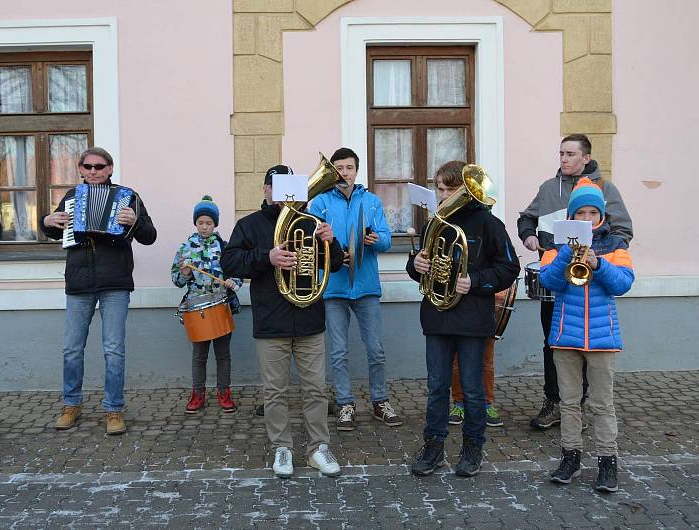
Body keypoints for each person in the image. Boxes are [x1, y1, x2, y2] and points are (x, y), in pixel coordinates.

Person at [221, 164, 344, 479]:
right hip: (271, 321)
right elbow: (230, 261)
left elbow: (337, 263)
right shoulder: (248, 225)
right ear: (265, 190)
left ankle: (318, 448)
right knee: (274, 391)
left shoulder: (313, 223)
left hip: (309, 318)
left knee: (315, 388)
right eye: (276, 188)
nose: (283, 195)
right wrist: (267, 258)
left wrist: (332, 242)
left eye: (290, 188)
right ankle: (282, 447)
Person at [407, 161, 520, 477]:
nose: (442, 195)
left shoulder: (489, 224)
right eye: (439, 188)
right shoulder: (434, 223)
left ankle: (473, 448)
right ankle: (433, 447)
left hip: (472, 318)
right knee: (437, 387)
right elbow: (417, 266)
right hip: (437, 316)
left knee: (472, 389)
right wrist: (416, 264)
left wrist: (477, 280)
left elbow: (510, 268)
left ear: (466, 190)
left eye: (448, 189)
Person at [518, 134, 633, 430]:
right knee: (553, 344)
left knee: (589, 347)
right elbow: (527, 219)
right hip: (556, 273)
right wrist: (529, 235)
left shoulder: (605, 189)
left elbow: (622, 231)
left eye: (570, 154)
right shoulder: (548, 187)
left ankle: (581, 406)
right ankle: (554, 402)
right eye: (561, 154)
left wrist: (602, 254)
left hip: (593, 279)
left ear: (586, 157)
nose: (564, 159)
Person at [41, 147, 157, 435]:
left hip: (115, 283)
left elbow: (150, 236)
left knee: (114, 350)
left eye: (99, 166)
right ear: (80, 169)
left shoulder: (128, 196)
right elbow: (57, 230)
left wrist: (136, 222)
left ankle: (114, 409)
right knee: (71, 349)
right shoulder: (70, 198)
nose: (93, 171)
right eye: (88, 166)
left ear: (110, 168)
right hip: (79, 283)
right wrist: (45, 222)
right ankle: (72, 404)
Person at [540, 177, 634, 493]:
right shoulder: (556, 246)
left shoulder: (615, 246)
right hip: (566, 336)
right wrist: (568, 253)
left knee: (602, 404)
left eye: (593, 213)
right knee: (568, 403)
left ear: (601, 217)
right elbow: (550, 282)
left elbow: (622, 284)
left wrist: (598, 264)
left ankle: (608, 463)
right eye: (580, 214)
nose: (586, 219)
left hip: (602, 338)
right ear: (572, 217)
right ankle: (570, 457)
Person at [307, 148, 402, 432]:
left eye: (349, 168)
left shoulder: (372, 201)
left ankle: (380, 401)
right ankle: (345, 403)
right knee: (338, 352)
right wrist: (334, 253)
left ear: (357, 171)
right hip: (334, 286)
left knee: (376, 350)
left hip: (366, 286)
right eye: (339, 168)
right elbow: (312, 244)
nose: (344, 173)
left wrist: (375, 239)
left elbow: (387, 240)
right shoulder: (319, 202)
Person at [172, 195, 243, 414]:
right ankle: (198, 394)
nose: (204, 227)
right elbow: (176, 280)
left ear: (215, 224)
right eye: (201, 222)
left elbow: (237, 271)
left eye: (209, 223)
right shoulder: (185, 248)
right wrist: (183, 273)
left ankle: (224, 393)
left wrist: (234, 281)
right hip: (197, 307)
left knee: (223, 354)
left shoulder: (225, 246)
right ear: (195, 223)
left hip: (221, 305)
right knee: (199, 355)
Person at [448, 336, 501, 427]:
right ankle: (459, 404)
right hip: (458, 325)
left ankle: (486, 405)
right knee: (457, 362)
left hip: (485, 325)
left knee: (486, 363)